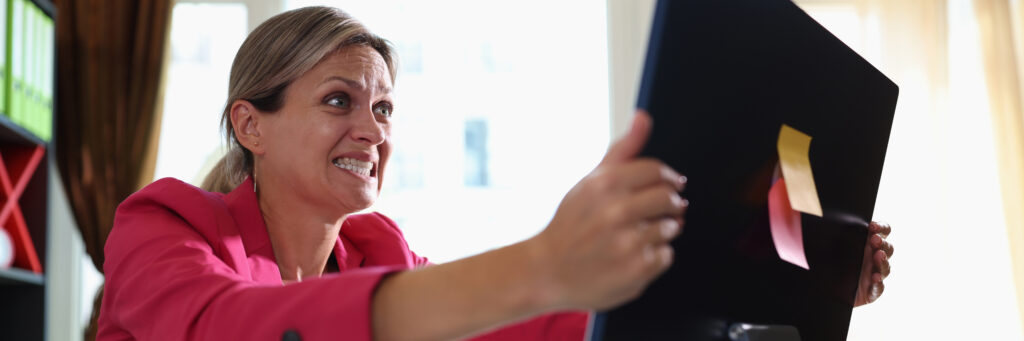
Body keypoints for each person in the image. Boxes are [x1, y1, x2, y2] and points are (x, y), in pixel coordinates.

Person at [96, 6, 893, 341]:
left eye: (384, 110)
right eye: (340, 100)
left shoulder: (378, 248)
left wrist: (791, 280)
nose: (371, 130)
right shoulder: (160, 225)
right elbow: (231, 327)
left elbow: (547, 323)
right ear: (250, 124)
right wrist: (541, 261)